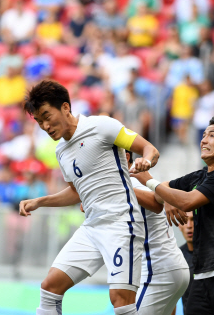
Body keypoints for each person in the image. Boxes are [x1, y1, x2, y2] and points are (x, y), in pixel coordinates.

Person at [19, 80, 160, 315]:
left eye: (46, 115)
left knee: (121, 301)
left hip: (121, 224)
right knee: (49, 288)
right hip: (92, 228)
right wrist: (40, 201)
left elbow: (150, 149)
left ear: (65, 107)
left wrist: (145, 160)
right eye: (39, 121)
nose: (44, 125)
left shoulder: (101, 126)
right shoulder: (61, 150)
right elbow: (76, 192)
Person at [131, 117, 214, 315]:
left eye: (212, 135)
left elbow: (187, 201)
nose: (204, 140)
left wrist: (150, 181)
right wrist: (168, 198)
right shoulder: (200, 175)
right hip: (201, 276)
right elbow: (164, 189)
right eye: (204, 135)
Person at [126, 150, 190, 315]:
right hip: (169, 266)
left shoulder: (130, 182)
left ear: (125, 156)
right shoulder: (134, 181)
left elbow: (157, 203)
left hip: (157, 270)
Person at [178, 212, 194, 312]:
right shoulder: (177, 257)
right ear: (179, 225)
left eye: (192, 220)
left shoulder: (212, 255)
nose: (189, 226)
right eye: (184, 220)